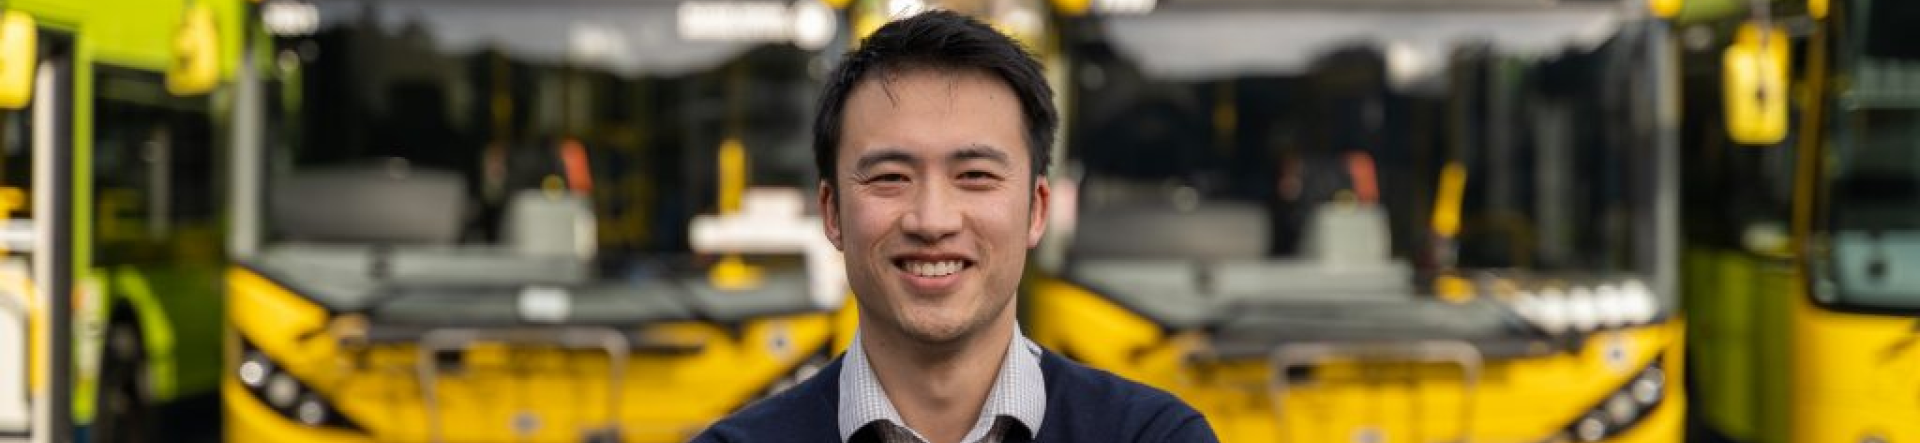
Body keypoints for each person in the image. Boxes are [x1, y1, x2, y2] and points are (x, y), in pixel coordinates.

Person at [691, 10, 1218, 443]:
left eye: (975, 176)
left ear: (1036, 210)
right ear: (832, 213)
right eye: (892, 177)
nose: (933, 221)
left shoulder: (1152, 436)